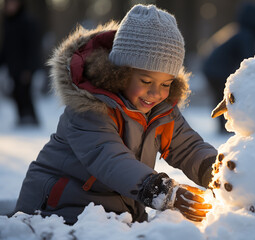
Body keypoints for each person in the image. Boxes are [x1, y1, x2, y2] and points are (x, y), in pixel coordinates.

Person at [14, 4, 216, 224]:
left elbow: (187, 147)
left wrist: (215, 171)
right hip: (57, 209)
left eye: (166, 83)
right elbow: (110, 160)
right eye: (146, 81)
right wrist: (159, 190)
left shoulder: (162, 110)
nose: (156, 93)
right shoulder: (89, 108)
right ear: (121, 73)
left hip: (115, 211)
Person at [202, 2, 255, 133]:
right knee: (227, 98)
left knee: (223, 97)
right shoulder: (246, 35)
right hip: (216, 70)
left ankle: (223, 128)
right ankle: (226, 128)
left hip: (212, 69)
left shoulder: (239, 31)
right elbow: (249, 59)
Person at [0, 0, 41, 126]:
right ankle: (21, 117)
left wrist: (29, 68)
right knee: (16, 92)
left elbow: (33, 47)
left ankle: (31, 118)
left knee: (25, 93)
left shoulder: (27, 21)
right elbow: (7, 47)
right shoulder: (8, 22)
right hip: (13, 67)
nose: (10, 7)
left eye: (13, 4)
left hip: (25, 67)